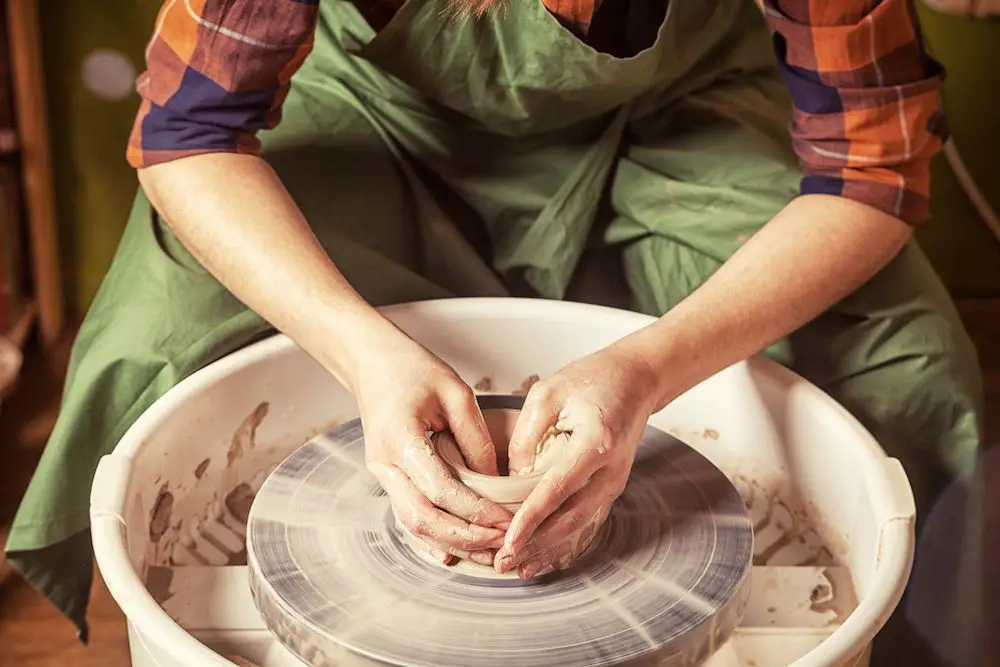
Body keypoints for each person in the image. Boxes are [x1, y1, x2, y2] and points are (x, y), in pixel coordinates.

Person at [7, 0, 982, 663]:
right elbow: (188, 136)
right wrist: (362, 352)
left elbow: (873, 169)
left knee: (896, 358)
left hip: (670, 116)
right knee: (165, 319)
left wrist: (646, 370)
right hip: (374, 113)